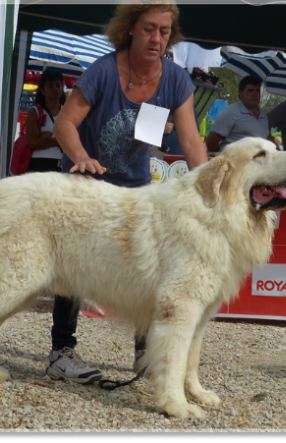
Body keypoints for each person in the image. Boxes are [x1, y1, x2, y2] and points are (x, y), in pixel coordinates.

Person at [49, 2, 208, 384]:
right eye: (149, 28)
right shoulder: (103, 70)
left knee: (147, 271)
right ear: (130, 30)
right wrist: (83, 158)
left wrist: (209, 189)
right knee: (71, 269)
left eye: (165, 31)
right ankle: (61, 352)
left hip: (136, 191)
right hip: (86, 187)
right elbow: (64, 123)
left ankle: (145, 355)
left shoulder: (176, 80)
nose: (157, 38)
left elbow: (190, 140)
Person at [205, 75, 269, 153]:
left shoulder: (263, 115)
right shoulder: (230, 113)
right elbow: (211, 142)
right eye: (250, 91)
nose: (254, 94)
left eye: (257, 91)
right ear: (241, 93)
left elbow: (268, 138)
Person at [25, 69, 65, 173]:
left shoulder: (67, 112)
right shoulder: (35, 112)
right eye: (50, 86)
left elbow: (73, 141)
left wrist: (48, 136)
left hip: (62, 164)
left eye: (58, 85)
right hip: (39, 164)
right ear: (42, 90)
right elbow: (33, 142)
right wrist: (58, 140)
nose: (55, 89)